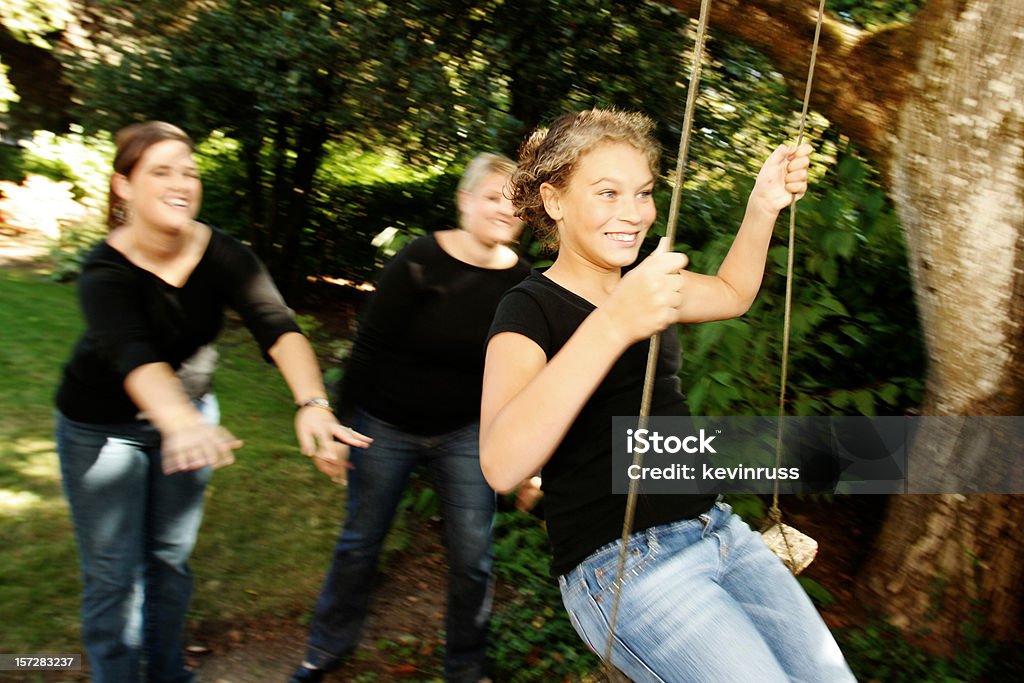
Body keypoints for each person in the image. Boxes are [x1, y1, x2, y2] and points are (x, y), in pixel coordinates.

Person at [480, 109, 857, 682]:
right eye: (607, 193)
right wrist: (613, 323)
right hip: (623, 568)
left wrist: (762, 205)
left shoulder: (648, 287)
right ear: (554, 201)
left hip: (719, 532)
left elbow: (731, 293)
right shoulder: (528, 309)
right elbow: (501, 463)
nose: (632, 213)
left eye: (644, 193)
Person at [54, 121, 370, 683]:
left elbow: (278, 326)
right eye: (161, 171)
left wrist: (313, 403)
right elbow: (136, 355)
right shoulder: (103, 272)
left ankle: (169, 674)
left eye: (189, 171)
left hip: (192, 420)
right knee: (112, 575)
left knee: (169, 564)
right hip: (102, 429)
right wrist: (177, 421)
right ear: (123, 186)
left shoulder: (222, 252)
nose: (181, 182)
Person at [289, 153, 530, 683]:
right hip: (386, 426)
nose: (503, 208)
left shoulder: (525, 284)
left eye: (514, 199)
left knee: (472, 557)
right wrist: (340, 425)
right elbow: (369, 344)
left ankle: (466, 667)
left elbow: (525, 377)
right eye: (491, 195)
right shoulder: (420, 260)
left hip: (467, 434)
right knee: (360, 543)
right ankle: (325, 649)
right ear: (465, 201)